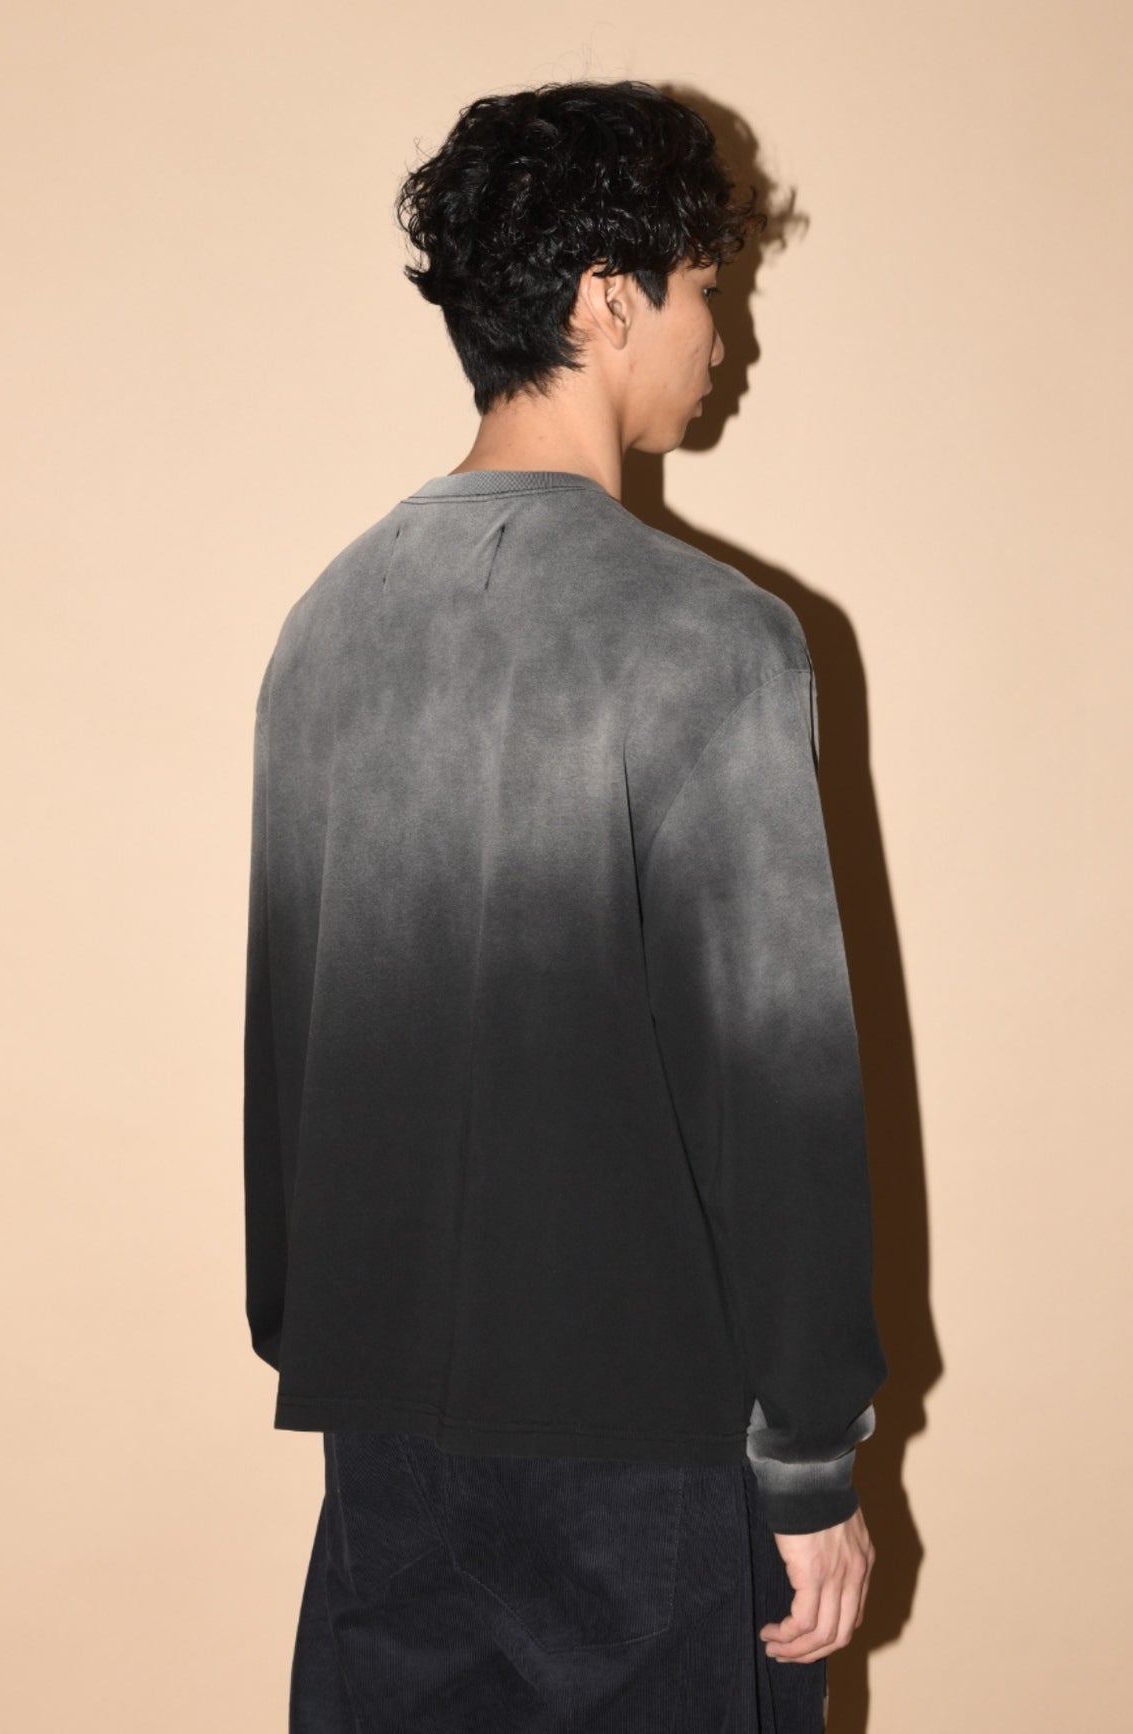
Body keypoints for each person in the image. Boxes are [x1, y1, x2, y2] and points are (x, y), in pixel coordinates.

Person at [243, 79, 888, 1732]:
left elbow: (286, 1031)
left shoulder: (326, 625)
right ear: (607, 299)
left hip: (387, 1450)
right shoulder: (707, 638)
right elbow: (777, 1079)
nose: (724, 337)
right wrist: (810, 1456)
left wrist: (313, 1328)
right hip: (641, 1454)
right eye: (705, 289)